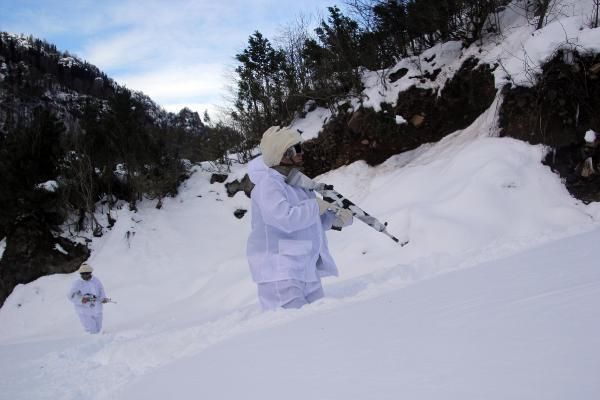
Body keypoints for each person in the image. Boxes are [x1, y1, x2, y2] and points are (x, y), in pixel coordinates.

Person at [246, 126, 353, 310]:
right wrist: (315, 206)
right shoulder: (268, 186)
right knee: (291, 331)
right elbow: (285, 219)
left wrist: (333, 220)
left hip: (305, 269)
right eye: (297, 149)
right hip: (280, 272)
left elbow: (308, 221)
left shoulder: (297, 185)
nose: (302, 153)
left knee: (319, 325)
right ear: (283, 154)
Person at [68, 262, 109, 334]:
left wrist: (103, 298)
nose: (85, 275)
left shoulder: (96, 281)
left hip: (97, 308)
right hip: (84, 310)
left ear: (90, 272)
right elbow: (70, 296)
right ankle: (92, 342)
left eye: (87, 273)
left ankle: (101, 342)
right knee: (91, 330)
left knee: (98, 328)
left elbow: (101, 290)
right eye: (83, 274)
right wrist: (81, 300)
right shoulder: (77, 283)